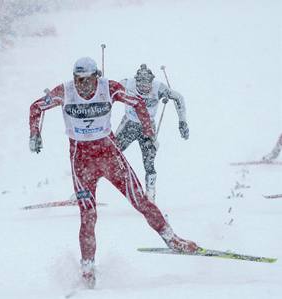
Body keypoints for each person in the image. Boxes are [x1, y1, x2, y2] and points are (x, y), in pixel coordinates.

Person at [29, 57, 198, 289]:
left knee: (140, 200)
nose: (83, 85)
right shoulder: (65, 91)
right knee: (88, 216)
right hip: (82, 163)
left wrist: (148, 132)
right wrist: (35, 134)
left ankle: (172, 239)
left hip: (110, 157)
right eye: (78, 80)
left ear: (96, 76)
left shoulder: (108, 87)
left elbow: (138, 103)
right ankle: (87, 270)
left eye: (87, 80)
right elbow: (36, 107)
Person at [115, 64, 189, 202]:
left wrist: (182, 121)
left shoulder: (158, 87)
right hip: (128, 125)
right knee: (109, 155)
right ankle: (87, 190)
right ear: (136, 81)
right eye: (140, 85)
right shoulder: (127, 84)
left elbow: (178, 97)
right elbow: (108, 89)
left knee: (149, 162)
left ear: (151, 82)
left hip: (147, 128)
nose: (143, 88)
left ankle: (150, 195)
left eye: (146, 85)